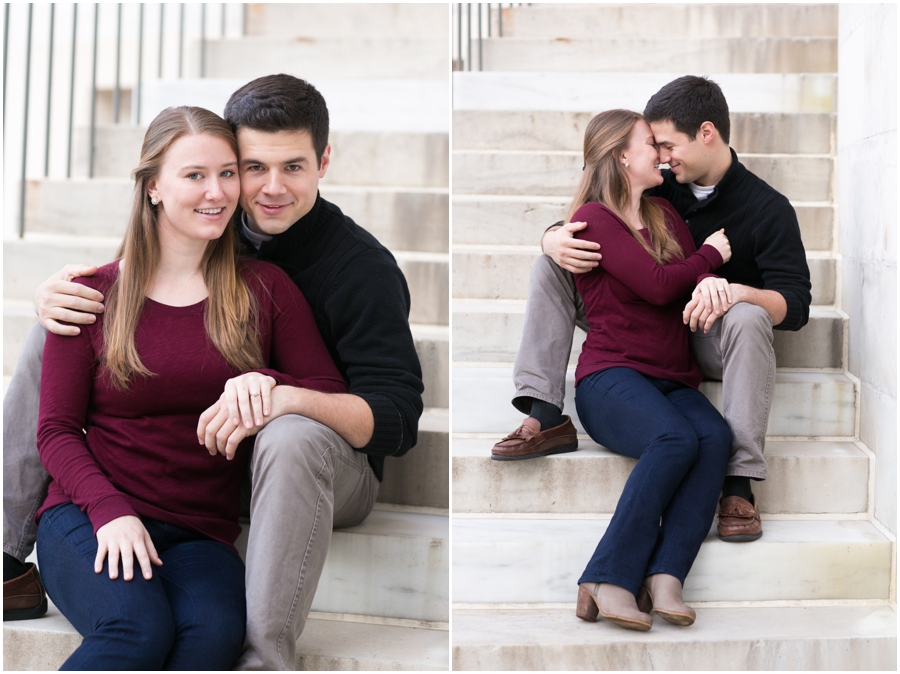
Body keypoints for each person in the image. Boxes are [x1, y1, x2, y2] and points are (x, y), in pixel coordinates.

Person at [4, 75, 424, 671]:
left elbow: (398, 418)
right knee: (56, 325)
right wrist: (57, 297)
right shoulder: (208, 239)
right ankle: (7, 555)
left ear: (323, 161)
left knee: (288, 440)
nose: (264, 188)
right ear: (155, 186)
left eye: (293, 167)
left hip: (313, 465)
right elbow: (69, 414)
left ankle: (265, 656)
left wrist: (281, 390)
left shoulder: (347, 272)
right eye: (248, 167)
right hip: (120, 496)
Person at [493, 76, 811, 543]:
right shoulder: (662, 185)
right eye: (654, 147)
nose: (660, 156)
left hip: (708, 335)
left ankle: (738, 482)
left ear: (707, 133)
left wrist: (741, 292)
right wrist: (551, 236)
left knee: (747, 315)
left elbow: (797, 304)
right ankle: (544, 410)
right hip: (641, 318)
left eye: (667, 144)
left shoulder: (768, 208)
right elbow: (599, 212)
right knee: (551, 266)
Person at [565, 109, 733, 631]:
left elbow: (675, 282)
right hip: (610, 377)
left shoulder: (664, 215)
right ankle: (608, 577)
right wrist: (709, 255)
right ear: (620, 155)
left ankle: (666, 576)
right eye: (648, 144)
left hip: (670, 377)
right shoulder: (595, 219)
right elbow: (661, 285)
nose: (660, 154)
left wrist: (696, 265)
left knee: (714, 436)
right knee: (674, 440)